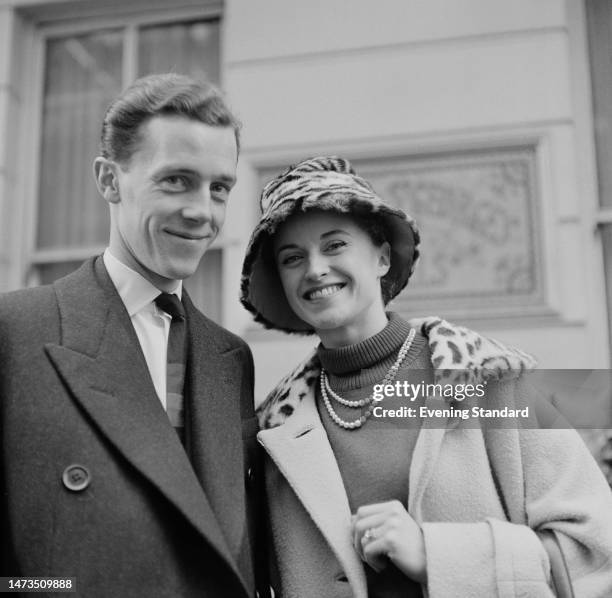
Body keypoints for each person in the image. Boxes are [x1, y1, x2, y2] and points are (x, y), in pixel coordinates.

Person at [240, 156, 612, 598]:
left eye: (335, 245)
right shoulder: (273, 430)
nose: (315, 268)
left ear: (381, 257)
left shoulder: (494, 379)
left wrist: (439, 556)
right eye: (292, 257)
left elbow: (595, 551)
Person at [0, 73, 268, 598]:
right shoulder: (15, 332)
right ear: (108, 180)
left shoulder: (231, 357)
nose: (202, 212)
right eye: (176, 180)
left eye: (219, 188)